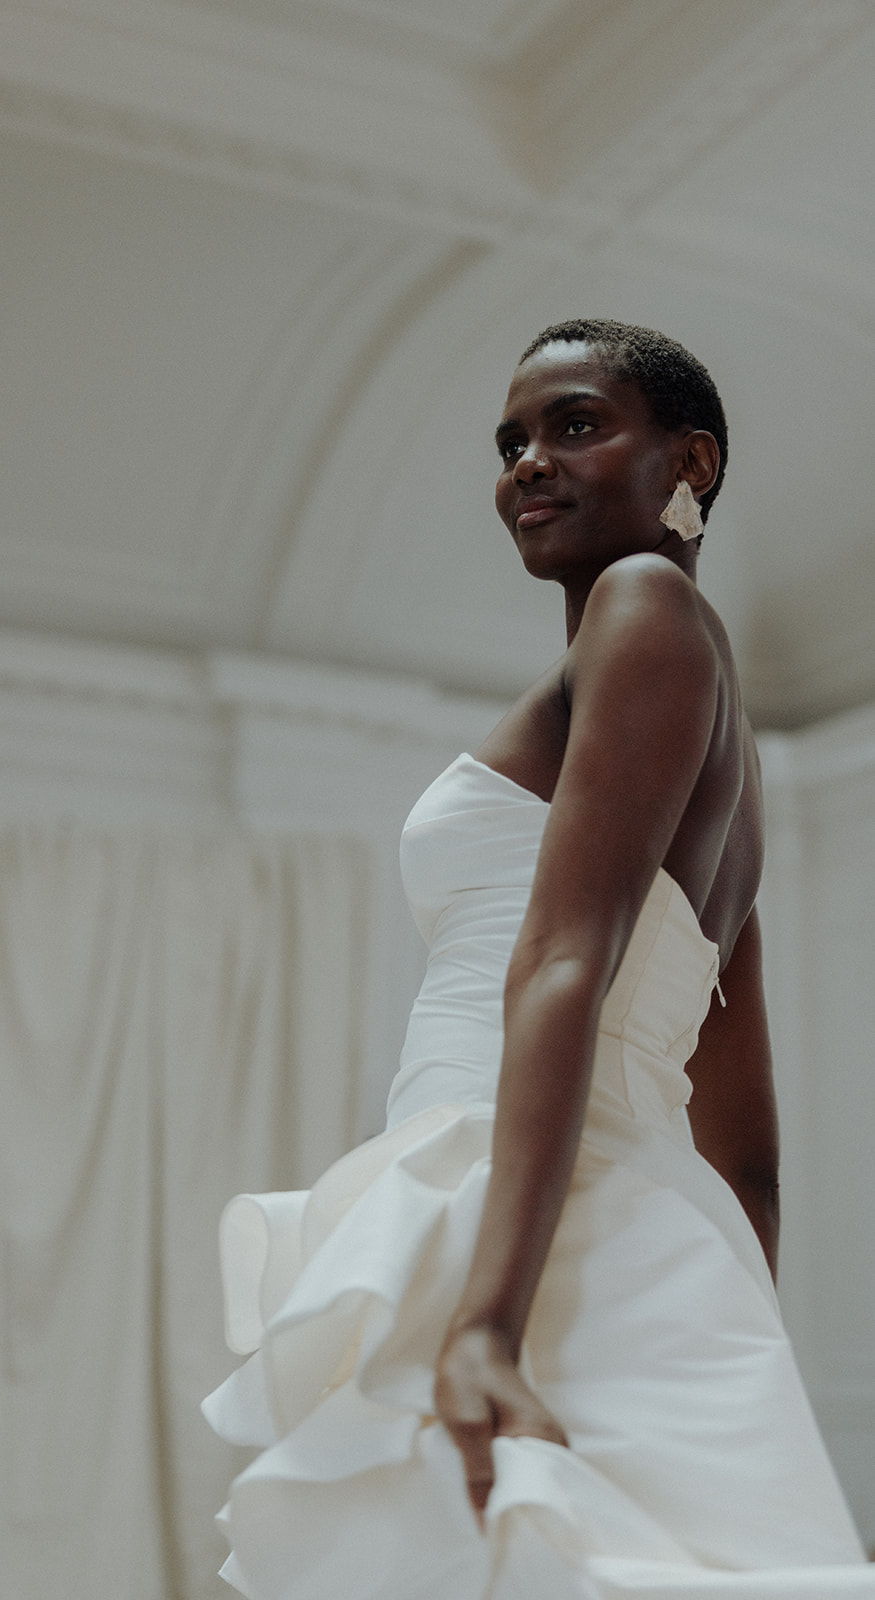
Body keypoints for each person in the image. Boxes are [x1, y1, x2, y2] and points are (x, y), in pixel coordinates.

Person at [203, 320, 874, 1597]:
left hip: (521, 1213)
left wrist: (486, 1323)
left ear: (690, 459)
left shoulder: (643, 603)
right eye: (509, 440)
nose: (524, 462)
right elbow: (747, 1157)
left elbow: (560, 960)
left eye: (573, 424)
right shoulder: (718, 761)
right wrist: (728, 1341)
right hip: (635, 1230)